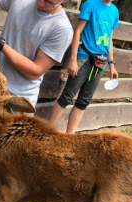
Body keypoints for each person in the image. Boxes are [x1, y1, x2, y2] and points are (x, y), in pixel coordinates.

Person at [0, 0, 73, 202]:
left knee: (10, 169)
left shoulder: (61, 28)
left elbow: (35, 70)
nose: (41, 2)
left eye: (50, 1)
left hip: (16, 103)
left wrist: (3, 46)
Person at [48, 0, 119, 133]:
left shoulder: (114, 11)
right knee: (67, 95)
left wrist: (112, 65)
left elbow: (109, 38)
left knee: (84, 101)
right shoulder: (90, 4)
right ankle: (46, 131)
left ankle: (70, 136)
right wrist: (73, 60)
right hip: (83, 57)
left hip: (101, 62)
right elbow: (77, 32)